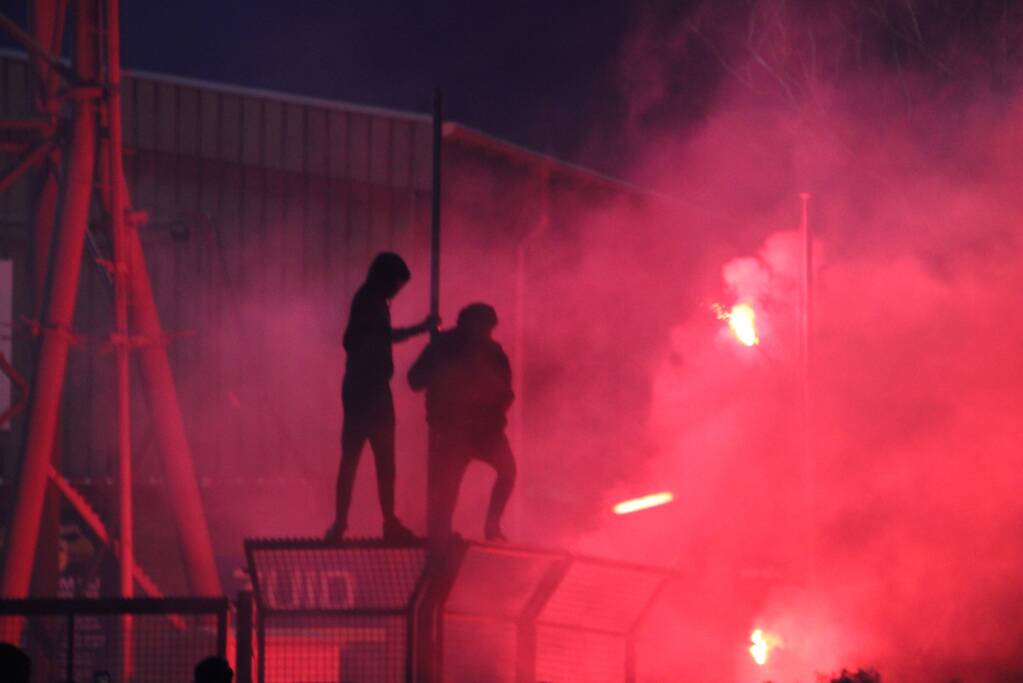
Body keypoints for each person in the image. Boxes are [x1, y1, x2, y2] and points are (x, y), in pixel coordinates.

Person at [325, 252, 437, 543]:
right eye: (397, 284)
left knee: (360, 459)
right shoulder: (370, 303)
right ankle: (364, 523)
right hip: (369, 391)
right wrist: (421, 329)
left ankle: (345, 523)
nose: (398, 291)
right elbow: (378, 337)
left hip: (362, 390)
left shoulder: (370, 301)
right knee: (377, 460)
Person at [408, 303, 516, 542]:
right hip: (453, 429)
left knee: (507, 472)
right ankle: (442, 534)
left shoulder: (494, 353)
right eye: (482, 326)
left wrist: (497, 410)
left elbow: (507, 392)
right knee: (447, 486)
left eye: (488, 328)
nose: (485, 332)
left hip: (487, 430)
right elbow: (414, 379)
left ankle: (491, 527)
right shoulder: (443, 348)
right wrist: (442, 375)